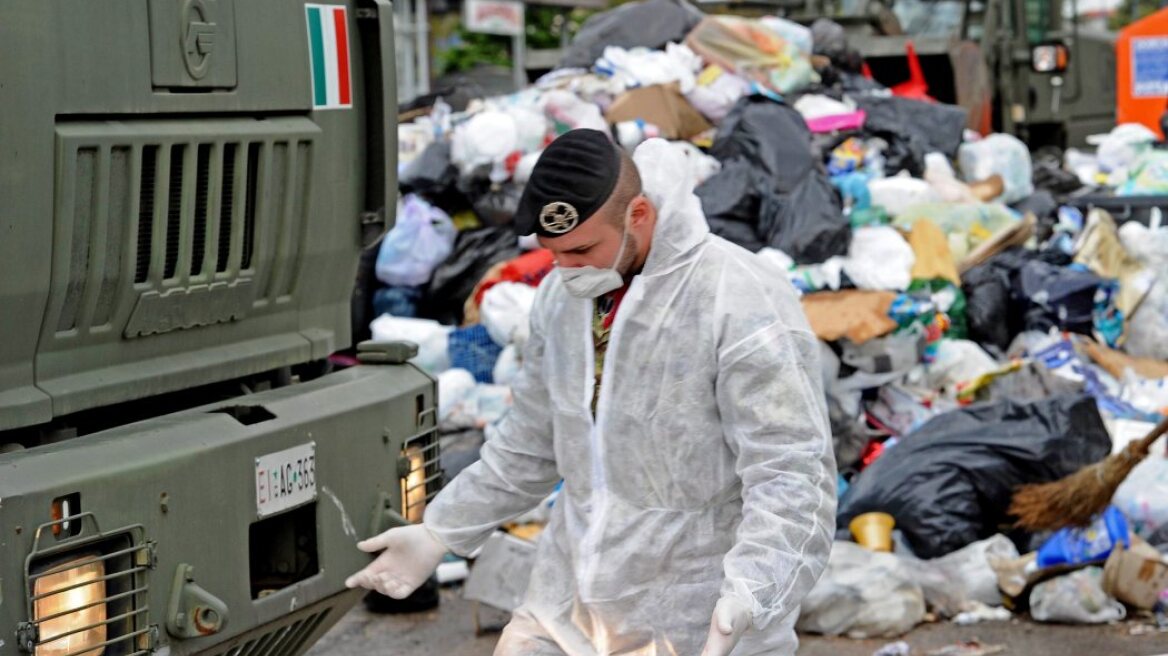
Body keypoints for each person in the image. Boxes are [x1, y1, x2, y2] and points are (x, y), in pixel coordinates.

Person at [346, 130, 836, 655]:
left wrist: (752, 592)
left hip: (700, 615)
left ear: (639, 215)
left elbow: (790, 473)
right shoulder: (563, 301)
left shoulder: (737, 297)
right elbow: (530, 445)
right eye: (554, 254)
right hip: (570, 611)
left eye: (582, 249)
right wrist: (440, 532)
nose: (567, 269)